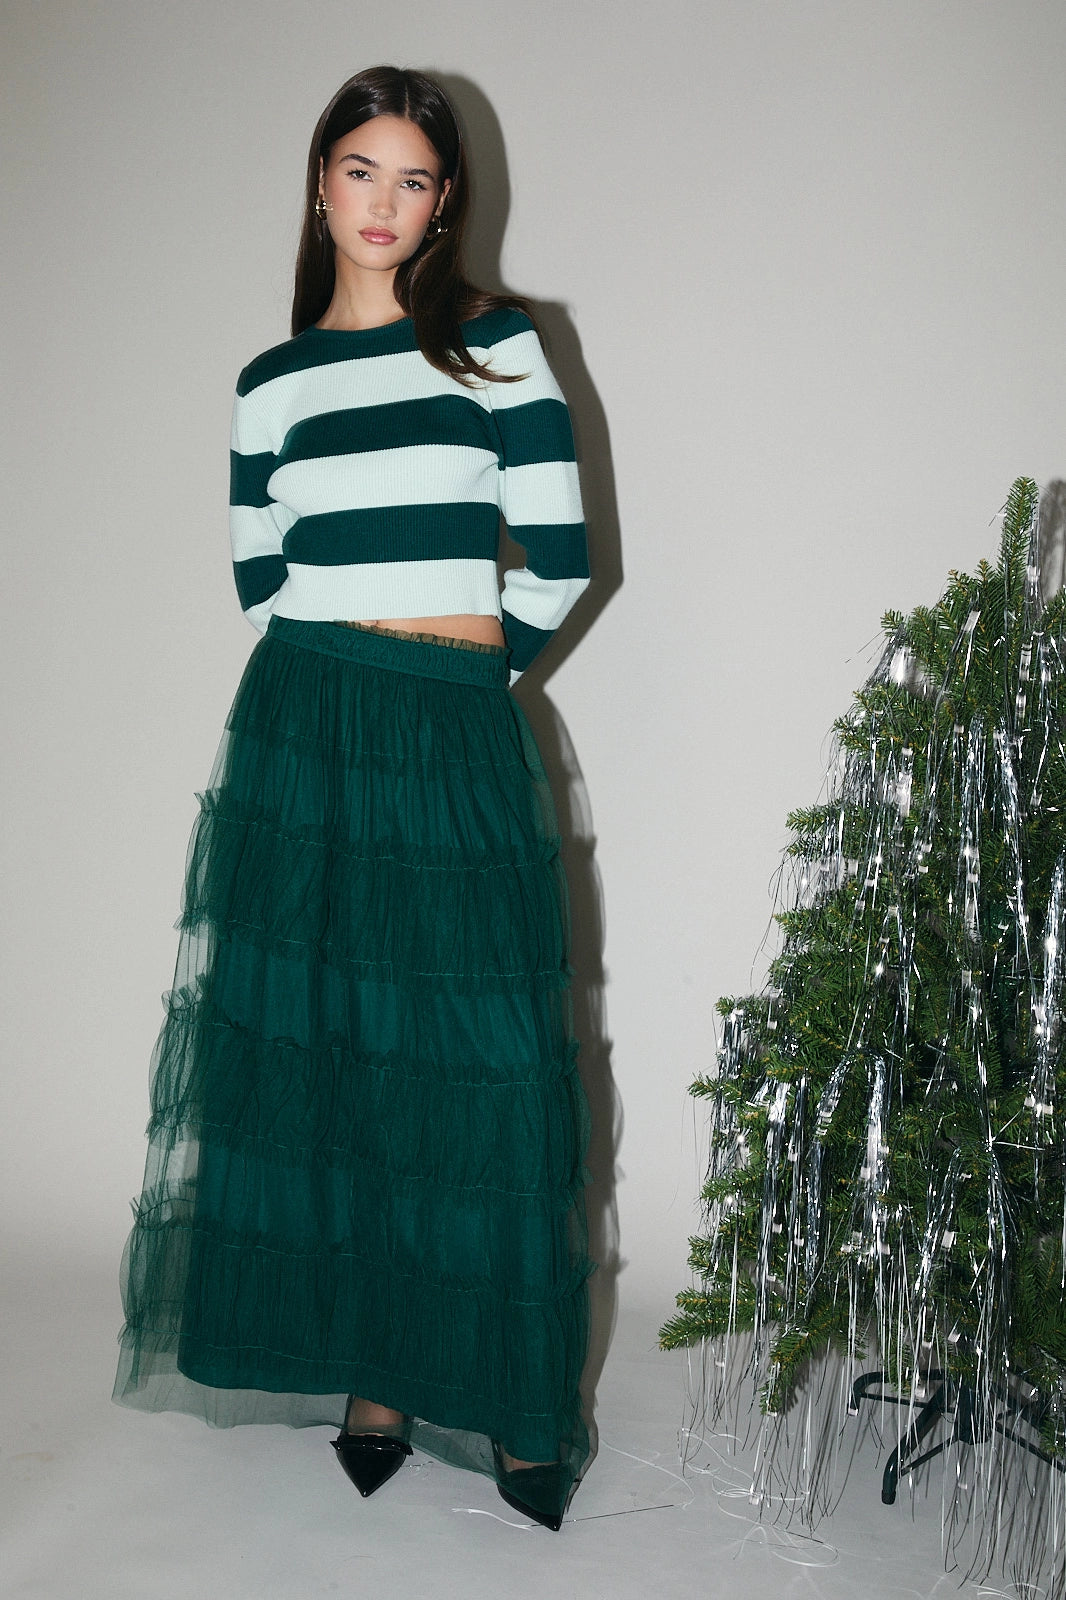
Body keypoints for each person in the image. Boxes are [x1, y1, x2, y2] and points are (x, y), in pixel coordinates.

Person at [113, 66, 594, 1532]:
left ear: (445, 204)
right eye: (360, 170)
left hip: (447, 724)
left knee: (481, 1062)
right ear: (319, 184)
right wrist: (344, 686)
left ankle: (517, 1405)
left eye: (414, 179)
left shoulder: (498, 344)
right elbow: (260, 577)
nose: (384, 203)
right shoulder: (271, 382)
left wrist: (459, 690)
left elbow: (562, 557)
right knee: (337, 1058)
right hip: (302, 733)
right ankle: (376, 1383)